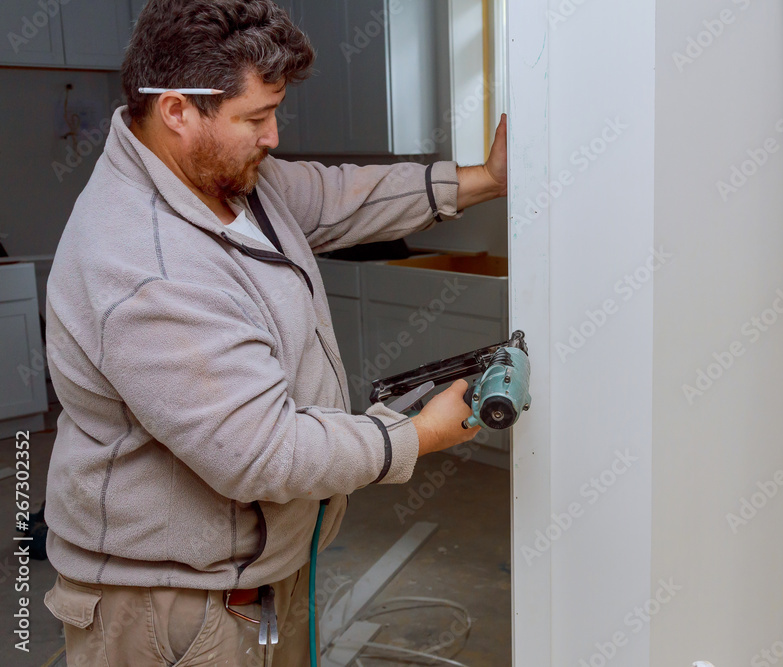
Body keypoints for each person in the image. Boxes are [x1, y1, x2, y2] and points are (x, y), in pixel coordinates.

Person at [40, 0, 507, 664]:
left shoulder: (221, 176)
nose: (274, 136)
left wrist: (485, 180)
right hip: (170, 609)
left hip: (255, 577)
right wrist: (416, 434)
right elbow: (263, 452)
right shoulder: (145, 265)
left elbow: (341, 194)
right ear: (177, 110)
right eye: (255, 118)